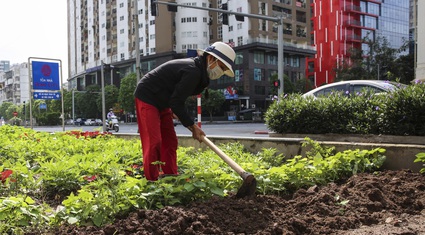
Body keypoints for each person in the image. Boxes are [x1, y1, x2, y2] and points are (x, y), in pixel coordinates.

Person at [134, 41, 236, 181]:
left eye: (224, 70)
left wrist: (177, 111)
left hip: (163, 101)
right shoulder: (193, 71)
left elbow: (176, 97)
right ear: (211, 58)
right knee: (154, 142)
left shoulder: (199, 72)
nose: (221, 72)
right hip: (148, 96)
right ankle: (152, 180)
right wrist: (193, 127)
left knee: (170, 141)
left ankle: (171, 177)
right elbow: (176, 102)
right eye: (222, 67)